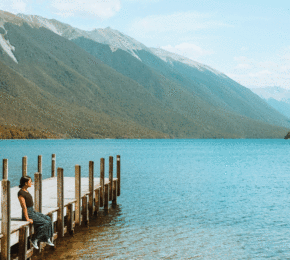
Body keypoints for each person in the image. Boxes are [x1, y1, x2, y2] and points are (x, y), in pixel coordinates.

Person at [18, 176, 54, 249]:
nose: (32, 183)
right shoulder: (21, 193)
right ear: (25, 183)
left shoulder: (26, 191)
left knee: (48, 218)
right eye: (30, 182)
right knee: (45, 223)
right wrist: (27, 218)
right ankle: (34, 239)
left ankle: (47, 238)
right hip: (28, 213)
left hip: (32, 211)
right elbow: (24, 207)